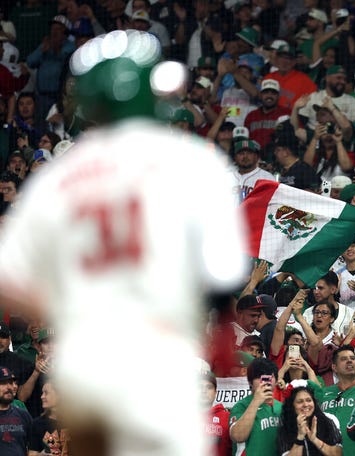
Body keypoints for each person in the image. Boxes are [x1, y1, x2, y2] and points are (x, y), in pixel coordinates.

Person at [0, 31, 246, 456]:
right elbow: (224, 275)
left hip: (86, 358)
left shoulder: (60, 176)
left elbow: (9, 277)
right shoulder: (191, 161)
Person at [316, 345, 355, 456]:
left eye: (353, 358)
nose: (349, 361)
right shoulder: (323, 393)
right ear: (334, 367)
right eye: (344, 359)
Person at [229, 358, 282, 456]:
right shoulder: (242, 405)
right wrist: (256, 401)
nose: (266, 381)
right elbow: (238, 436)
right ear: (250, 382)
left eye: (270, 376)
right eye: (260, 377)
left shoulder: (282, 407)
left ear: (277, 380)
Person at [278, 383, 342, 455]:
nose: (305, 405)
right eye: (300, 402)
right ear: (292, 406)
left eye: (309, 400)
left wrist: (315, 440)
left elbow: (338, 454)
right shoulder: (285, 429)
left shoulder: (327, 422)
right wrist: (300, 436)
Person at [303, 271, 354, 336]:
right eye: (314, 288)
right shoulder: (307, 313)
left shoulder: (350, 313)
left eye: (320, 288)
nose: (316, 292)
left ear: (333, 289)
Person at [244, 79, 290, 150]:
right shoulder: (251, 115)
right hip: (254, 155)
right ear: (261, 95)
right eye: (266, 93)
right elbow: (245, 139)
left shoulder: (286, 113)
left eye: (273, 93)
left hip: (278, 156)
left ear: (278, 96)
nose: (269, 96)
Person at [29, 380, 69, 455]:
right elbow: (32, 453)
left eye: (46, 393)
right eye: (42, 393)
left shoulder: (76, 422)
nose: (42, 397)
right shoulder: (38, 424)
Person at [0, 366, 33, 455]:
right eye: (3, 383)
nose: (9, 387)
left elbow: (34, 447)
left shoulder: (24, 415)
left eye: (10, 382)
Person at [201, 371, 231, 456]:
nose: (204, 391)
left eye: (209, 387)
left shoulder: (227, 417)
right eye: (199, 387)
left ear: (216, 393)